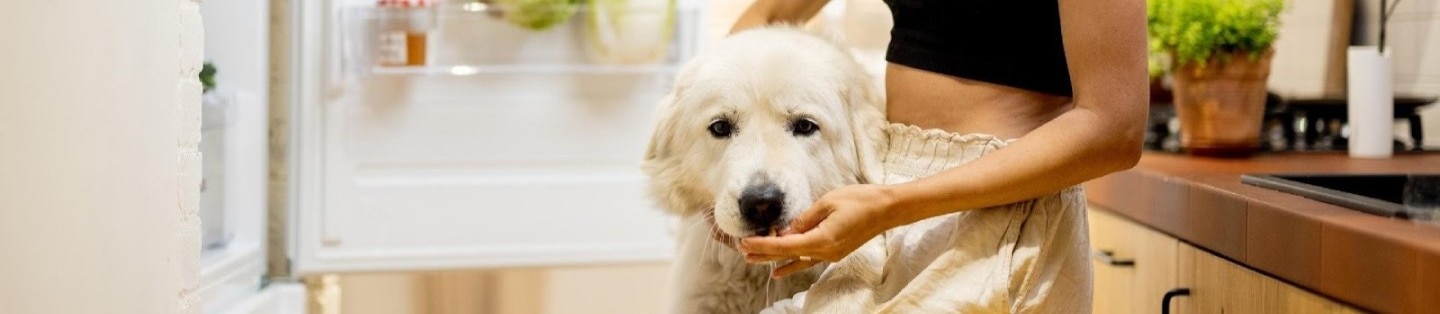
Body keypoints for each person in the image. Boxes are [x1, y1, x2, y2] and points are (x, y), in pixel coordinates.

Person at [731, 0, 1147, 311]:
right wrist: (733, 174)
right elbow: (761, 20)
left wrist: (893, 205)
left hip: (1000, 217)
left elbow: (1114, 127)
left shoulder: (894, 206)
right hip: (885, 203)